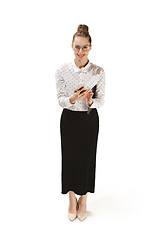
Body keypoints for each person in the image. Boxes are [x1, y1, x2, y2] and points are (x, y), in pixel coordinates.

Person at [55, 24, 106, 221]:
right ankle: (70, 197)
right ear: (71, 46)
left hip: (88, 119)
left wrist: (90, 100)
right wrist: (73, 99)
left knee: (87, 158)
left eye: (84, 47)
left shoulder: (98, 72)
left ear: (90, 47)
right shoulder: (62, 70)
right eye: (77, 47)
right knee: (69, 158)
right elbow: (60, 99)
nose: (80, 51)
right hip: (69, 119)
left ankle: (83, 198)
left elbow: (102, 100)